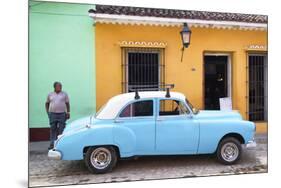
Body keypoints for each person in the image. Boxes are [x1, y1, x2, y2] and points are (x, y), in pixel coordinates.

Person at [45, 82, 70, 150]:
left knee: (61, 129)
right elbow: (47, 103)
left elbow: (67, 103)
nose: (60, 87)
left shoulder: (64, 94)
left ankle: (60, 144)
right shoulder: (50, 94)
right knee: (53, 129)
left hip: (62, 114)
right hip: (52, 114)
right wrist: (48, 113)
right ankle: (52, 144)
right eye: (58, 86)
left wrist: (68, 112)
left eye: (61, 86)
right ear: (54, 87)